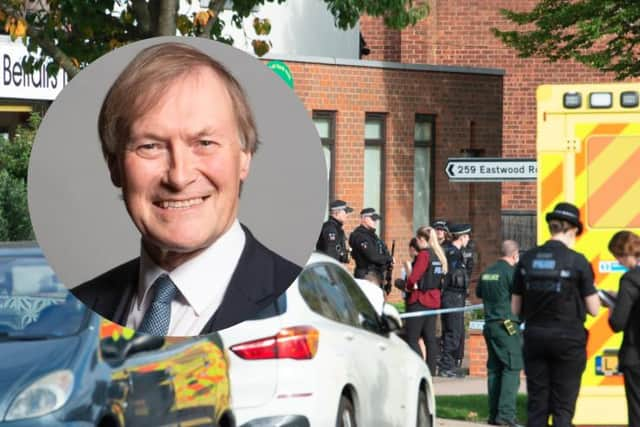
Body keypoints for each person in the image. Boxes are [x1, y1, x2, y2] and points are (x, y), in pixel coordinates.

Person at [71, 42, 301, 335]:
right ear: (114, 166)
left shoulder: (295, 301)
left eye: (205, 143)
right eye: (150, 146)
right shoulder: (79, 307)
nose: (179, 178)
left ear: (245, 158)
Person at [512, 202, 600, 427]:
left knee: (537, 404)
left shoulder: (527, 259)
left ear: (551, 227)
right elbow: (594, 308)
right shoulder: (578, 261)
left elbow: (515, 308)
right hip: (568, 340)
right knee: (563, 407)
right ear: (572, 230)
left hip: (535, 337)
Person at [476, 240, 523, 427]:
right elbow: (520, 295)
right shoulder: (512, 273)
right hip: (507, 324)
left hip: (490, 325)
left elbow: (479, 293)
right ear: (515, 255)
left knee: (495, 369)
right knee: (512, 367)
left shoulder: (487, 272)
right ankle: (506, 415)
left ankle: (494, 415)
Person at [404, 226, 448, 376]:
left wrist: (407, 286)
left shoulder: (424, 255)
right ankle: (431, 370)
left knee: (412, 338)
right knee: (430, 338)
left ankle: (420, 370)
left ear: (422, 239)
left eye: (417, 239)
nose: (416, 242)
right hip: (433, 300)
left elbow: (414, 278)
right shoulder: (438, 255)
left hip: (419, 300)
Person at [606, 231, 640, 427]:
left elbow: (617, 323)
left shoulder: (630, 279)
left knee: (637, 411)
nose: (618, 262)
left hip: (635, 354)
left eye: (617, 257)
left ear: (624, 254)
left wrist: (613, 304)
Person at [437, 223, 472, 377]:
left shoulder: (456, 252)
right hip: (452, 296)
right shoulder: (453, 253)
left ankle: (448, 365)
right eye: (467, 236)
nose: (468, 239)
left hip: (456, 296)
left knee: (454, 332)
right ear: (462, 237)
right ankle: (446, 367)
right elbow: (451, 276)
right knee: (453, 332)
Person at [349, 208, 393, 286]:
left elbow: (381, 252)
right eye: (373, 219)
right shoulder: (360, 236)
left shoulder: (373, 236)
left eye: (376, 219)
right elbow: (372, 256)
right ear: (364, 219)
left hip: (376, 274)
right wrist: (389, 258)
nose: (375, 222)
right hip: (366, 275)